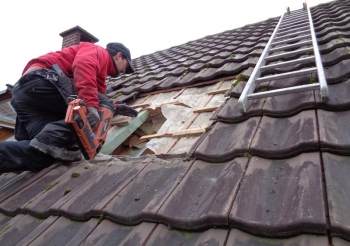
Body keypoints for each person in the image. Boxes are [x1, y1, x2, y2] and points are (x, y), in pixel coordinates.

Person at [0, 42, 138, 172]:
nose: (125, 71)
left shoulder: (98, 72)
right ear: (119, 55)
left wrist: (116, 107)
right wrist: (91, 106)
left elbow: (92, 91)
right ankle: (52, 139)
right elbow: (83, 65)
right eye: (126, 65)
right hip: (41, 81)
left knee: (44, 154)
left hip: (24, 95)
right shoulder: (99, 52)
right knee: (97, 106)